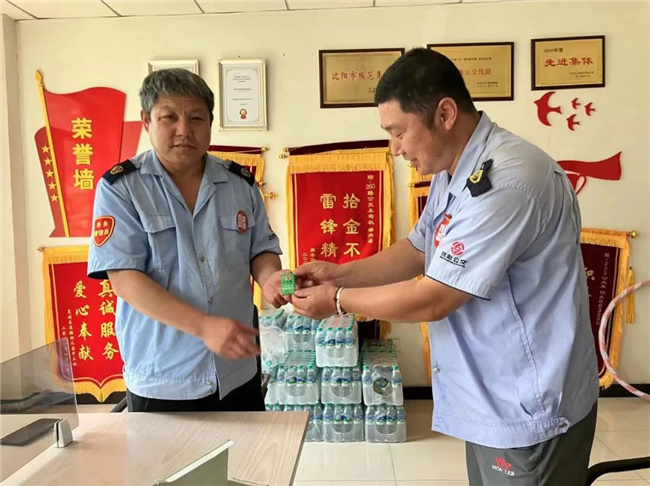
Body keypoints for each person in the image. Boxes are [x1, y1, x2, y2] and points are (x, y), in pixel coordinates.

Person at [291, 48, 599, 485]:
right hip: (492, 396)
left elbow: (435, 297)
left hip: (528, 404)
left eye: (399, 132)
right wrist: (336, 274)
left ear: (446, 113)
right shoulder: (454, 171)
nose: (395, 148)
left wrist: (337, 301)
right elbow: (419, 249)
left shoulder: (508, 180)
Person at [87, 68, 288, 413]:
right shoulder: (121, 188)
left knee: (246, 450)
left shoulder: (239, 183)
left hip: (236, 371)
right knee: (164, 453)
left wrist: (270, 279)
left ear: (210, 123)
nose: (184, 130)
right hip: (163, 374)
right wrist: (204, 327)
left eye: (196, 118)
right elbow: (124, 279)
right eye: (170, 117)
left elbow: (261, 249)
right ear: (147, 121)